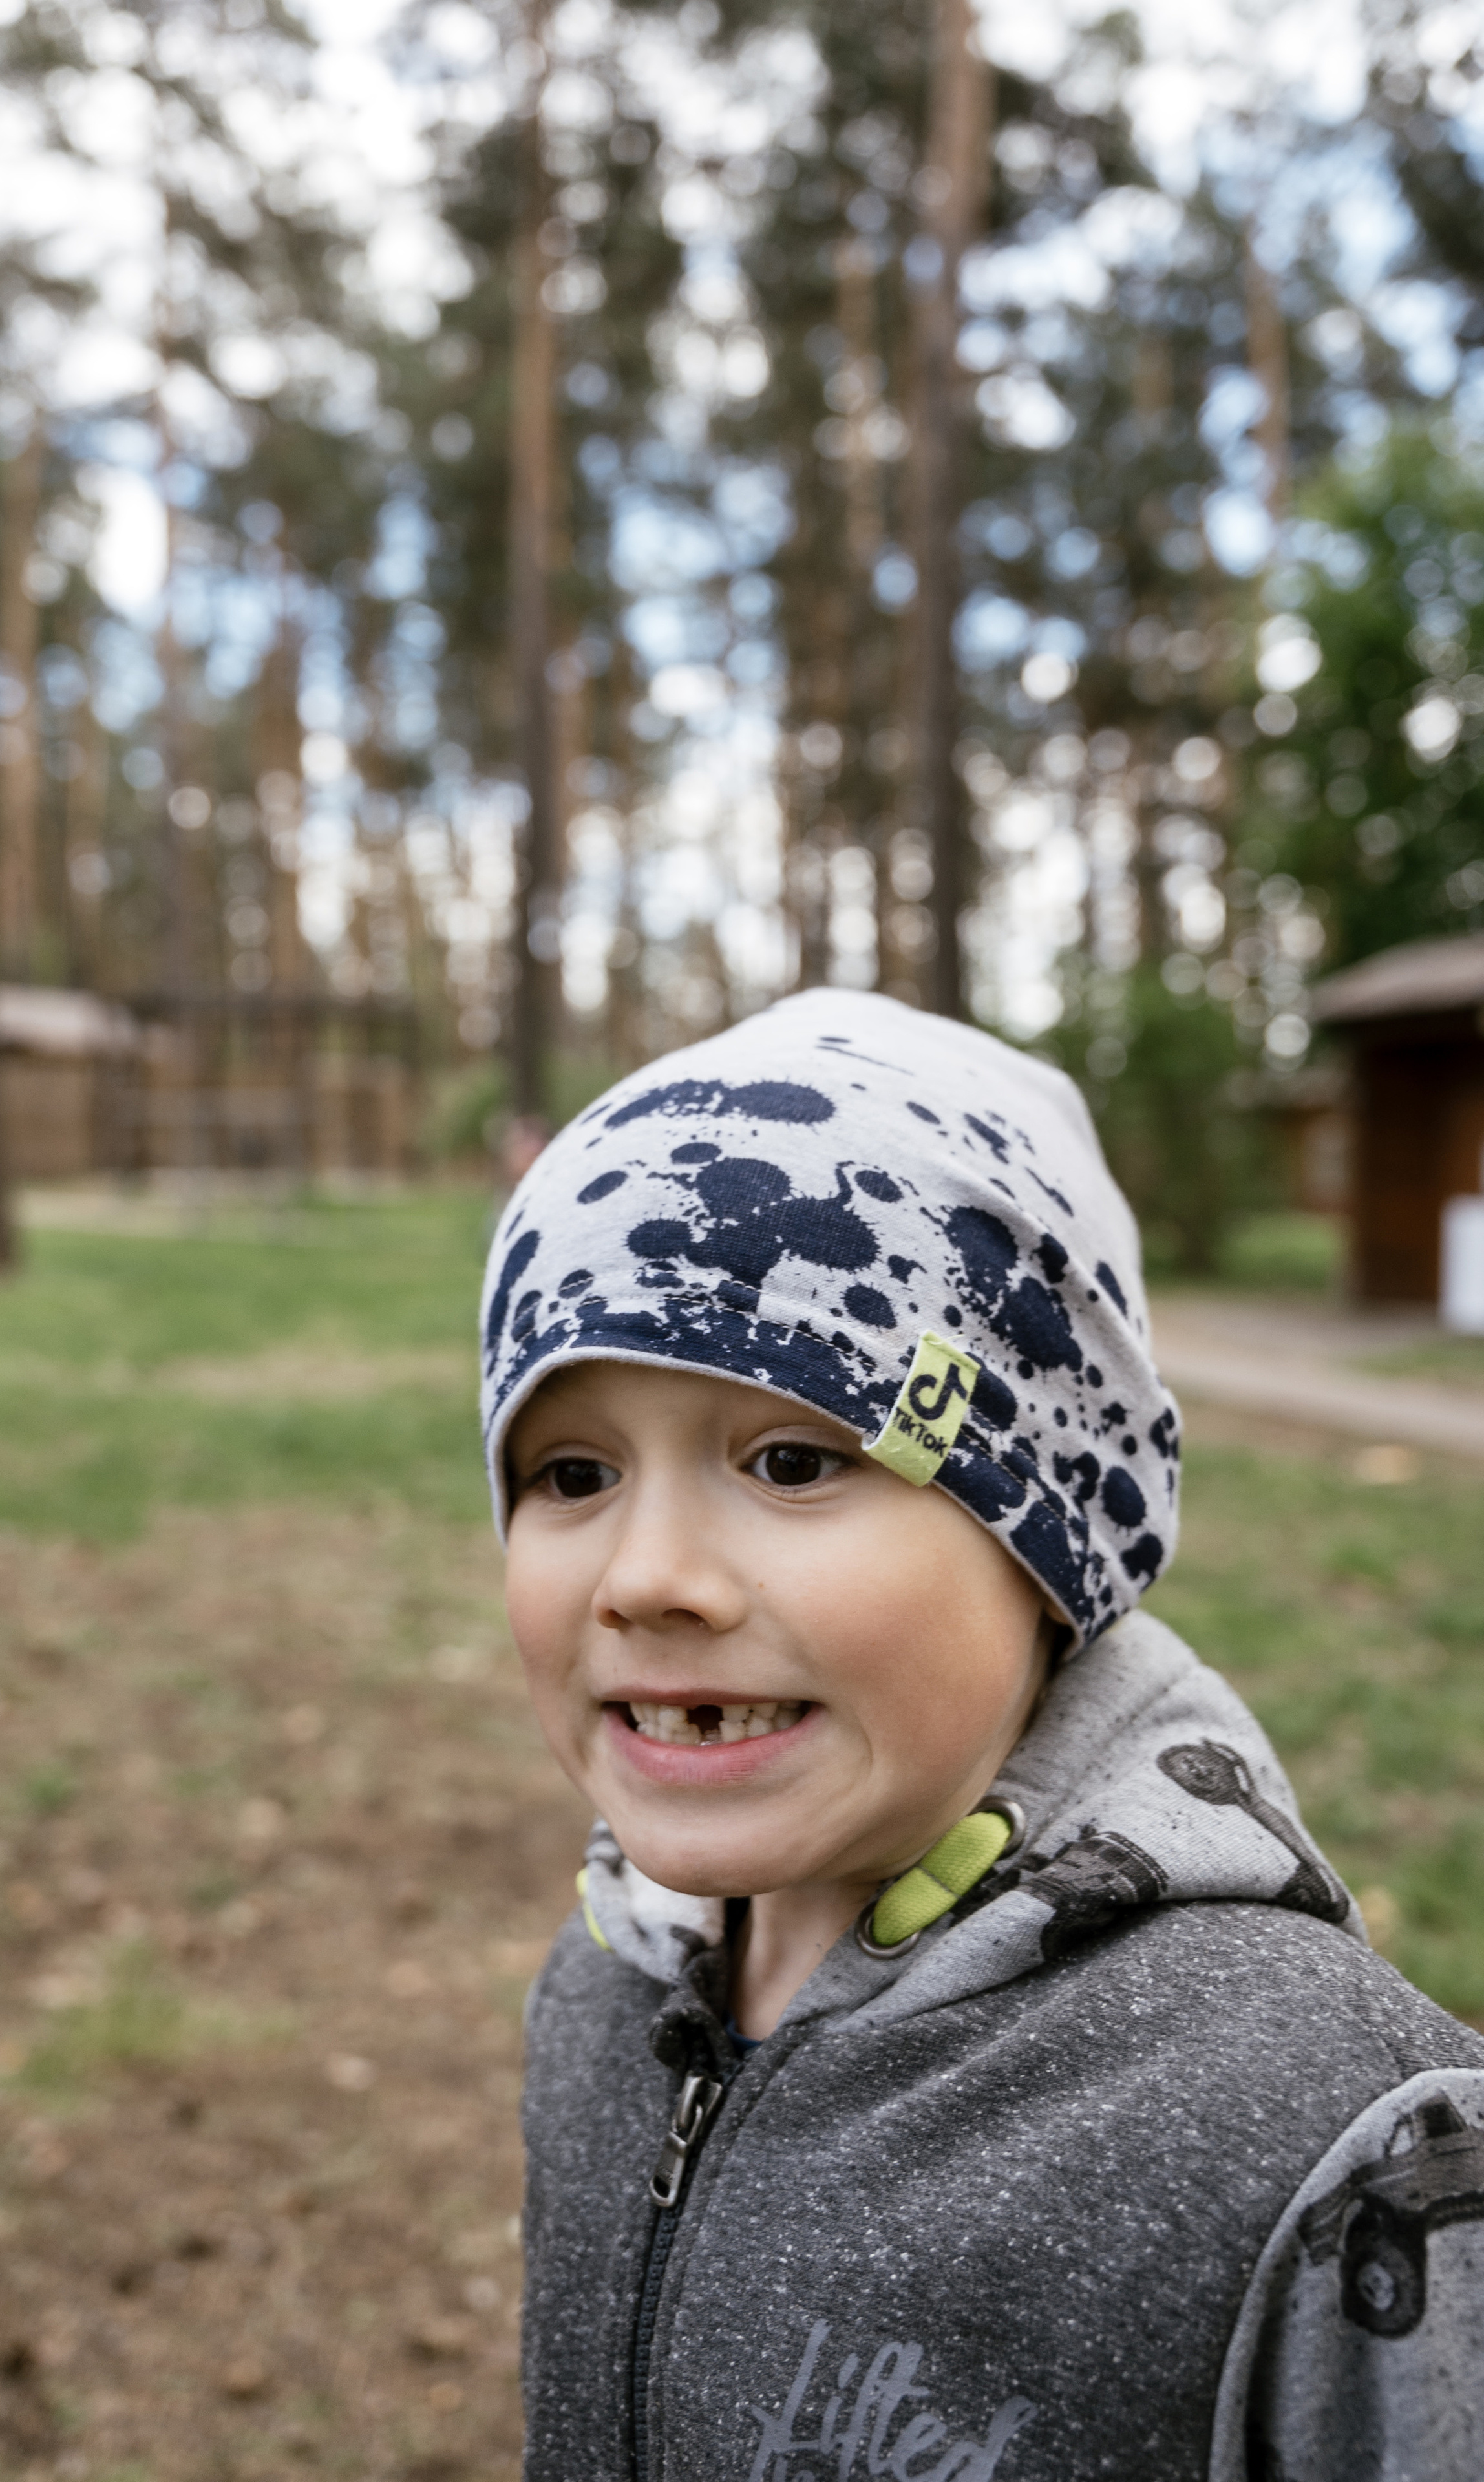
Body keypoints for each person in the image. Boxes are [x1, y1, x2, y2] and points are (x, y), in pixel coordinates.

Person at [479, 988, 1484, 2482]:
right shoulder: (608, 1982)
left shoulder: (1322, 2132)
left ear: (1047, 1542)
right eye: (570, 1472)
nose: (645, 1579)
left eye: (792, 1458)